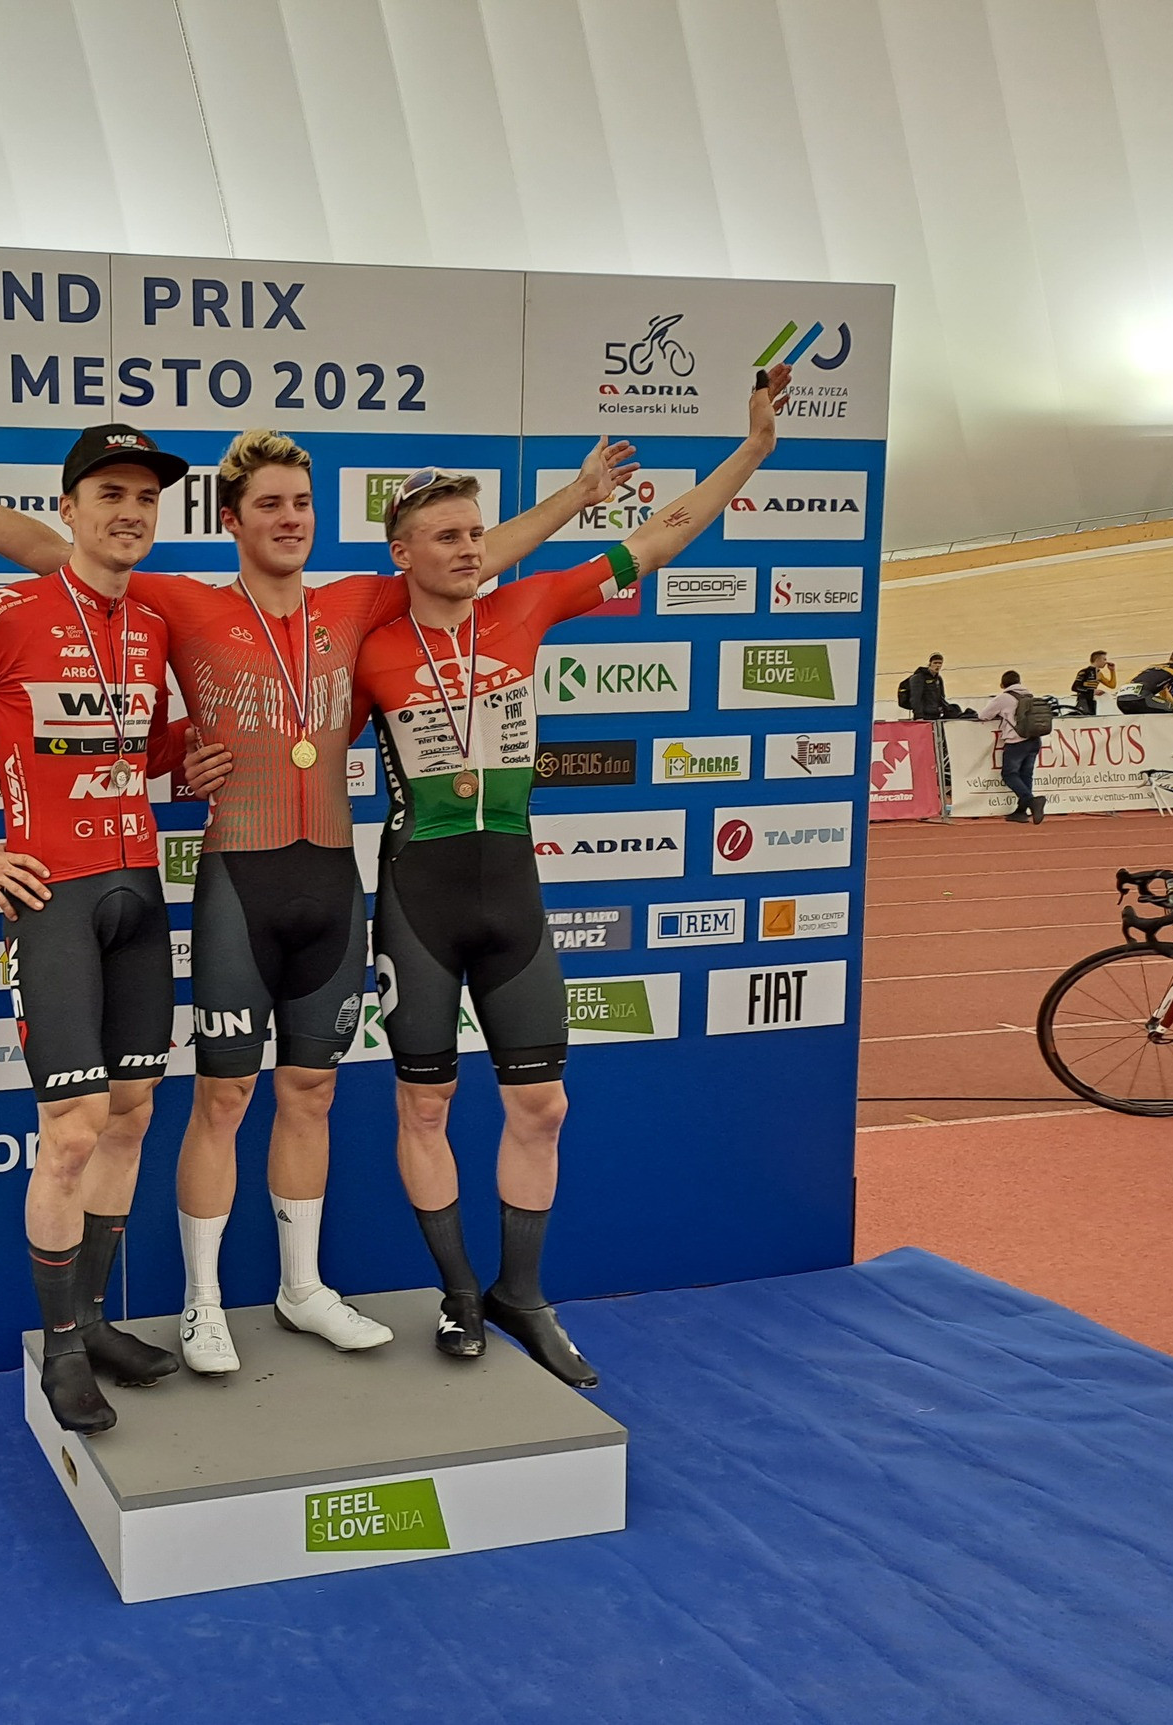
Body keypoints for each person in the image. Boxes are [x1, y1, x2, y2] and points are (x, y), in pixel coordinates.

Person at [0, 418, 637, 1375]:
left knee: (312, 1090)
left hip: (331, 877)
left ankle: (303, 1289)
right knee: (220, 1096)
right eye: (269, 504)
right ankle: (202, 1304)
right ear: (232, 519)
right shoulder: (176, 601)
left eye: (302, 503)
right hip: (234, 875)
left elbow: (471, 552)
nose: (289, 518)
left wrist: (576, 497)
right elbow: (54, 550)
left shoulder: (358, 599)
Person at [353, 367, 796, 1387]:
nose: (469, 548)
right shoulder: (367, 648)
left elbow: (662, 534)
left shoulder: (526, 606)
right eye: (446, 536)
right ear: (402, 553)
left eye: (477, 533)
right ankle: (459, 1293)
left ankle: (521, 1291)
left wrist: (752, 450)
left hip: (510, 894)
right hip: (417, 899)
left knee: (542, 1105)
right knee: (423, 1107)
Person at [0, 425, 232, 1435]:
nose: (131, 513)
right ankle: (61, 1347)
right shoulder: (9, 610)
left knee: (132, 1115)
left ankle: (96, 1320)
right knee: (70, 1131)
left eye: (146, 498)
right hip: (54, 902)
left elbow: (119, 745)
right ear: (66, 510)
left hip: (139, 892)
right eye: (110, 494)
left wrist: (183, 754)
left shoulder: (149, 621)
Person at [977, 670, 1048, 822]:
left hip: (1016, 740)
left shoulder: (1003, 698)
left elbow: (983, 715)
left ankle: (1031, 801)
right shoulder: (1028, 695)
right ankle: (1021, 812)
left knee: (1009, 774)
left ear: (1002, 684)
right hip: (1034, 739)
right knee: (1026, 775)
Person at [900, 654, 974, 722]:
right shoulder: (918, 677)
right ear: (930, 664)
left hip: (936, 715)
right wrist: (918, 716)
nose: (937, 665)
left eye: (940, 663)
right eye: (935, 663)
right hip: (924, 716)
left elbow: (941, 697)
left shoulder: (938, 678)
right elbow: (915, 698)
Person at [1070, 650, 1115, 717]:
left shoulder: (1099, 674)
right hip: (1083, 700)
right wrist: (1092, 691)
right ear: (1097, 660)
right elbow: (1075, 687)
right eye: (1104, 659)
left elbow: (1112, 685)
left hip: (1092, 700)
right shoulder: (1084, 671)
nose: (1106, 662)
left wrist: (1112, 671)